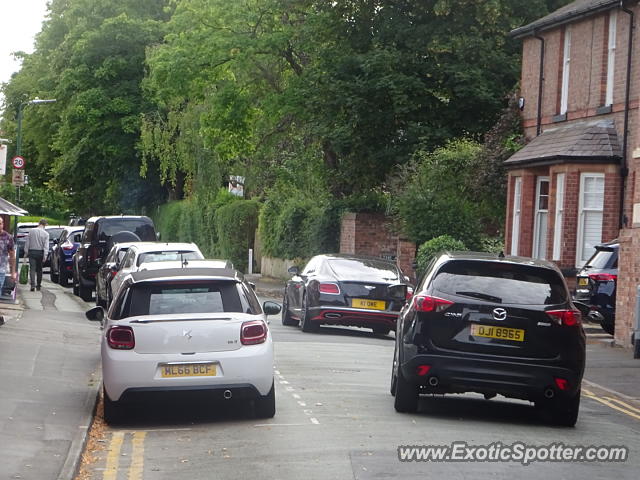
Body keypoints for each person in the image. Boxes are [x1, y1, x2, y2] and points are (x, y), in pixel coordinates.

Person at [0, 217, 17, 325]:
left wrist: (13, 272)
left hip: (1, 270)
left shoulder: (8, 237)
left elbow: (12, 256)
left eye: (0, 223)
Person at [24, 218, 49, 292]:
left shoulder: (31, 231)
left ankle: (32, 285)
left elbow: (27, 242)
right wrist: (45, 255)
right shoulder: (46, 234)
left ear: (39, 223)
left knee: (32, 269)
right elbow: (46, 246)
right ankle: (38, 285)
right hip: (40, 253)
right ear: (45, 225)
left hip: (31, 252)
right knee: (39, 270)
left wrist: (26, 252)